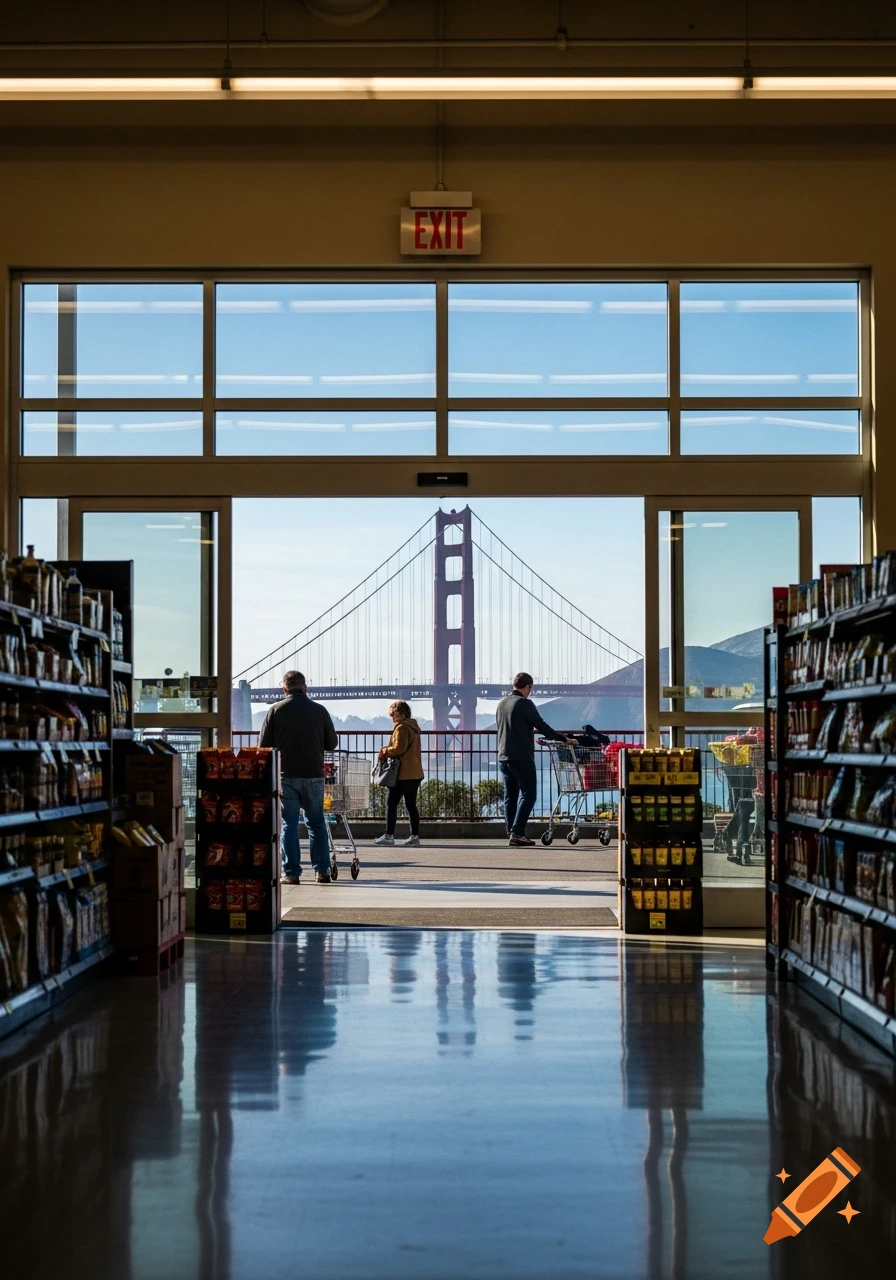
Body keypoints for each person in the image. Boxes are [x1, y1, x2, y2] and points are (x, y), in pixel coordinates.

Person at [258, 670, 338, 885]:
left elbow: (263, 746)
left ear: (284, 689)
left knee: (289, 824)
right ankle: (322, 871)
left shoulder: (275, 710)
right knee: (316, 822)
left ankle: (291, 873)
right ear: (305, 687)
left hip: (286, 776)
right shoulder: (320, 710)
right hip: (314, 775)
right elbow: (331, 744)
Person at [495, 672, 567, 847]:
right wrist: (563, 738)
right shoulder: (525, 703)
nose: (530, 692)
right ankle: (518, 832)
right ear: (528, 687)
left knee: (510, 797)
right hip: (522, 757)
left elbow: (512, 726)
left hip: (504, 757)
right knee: (529, 795)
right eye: (530, 689)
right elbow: (541, 725)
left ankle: (511, 832)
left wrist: (527, 730)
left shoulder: (502, 704)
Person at [373, 700, 424, 847]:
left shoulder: (402, 728)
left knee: (391, 803)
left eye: (393, 715)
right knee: (411, 805)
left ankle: (389, 836)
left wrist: (384, 750)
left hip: (403, 773)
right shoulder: (414, 727)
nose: (392, 719)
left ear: (400, 714)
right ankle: (414, 837)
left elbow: (398, 749)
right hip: (415, 772)